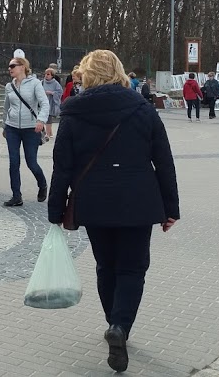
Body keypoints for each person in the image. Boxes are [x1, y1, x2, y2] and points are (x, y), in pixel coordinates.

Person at [47, 49, 180, 373]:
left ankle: (113, 321)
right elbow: (163, 160)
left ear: (87, 75)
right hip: (139, 200)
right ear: (119, 72)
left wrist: (55, 210)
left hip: (94, 201)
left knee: (106, 266)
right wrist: (170, 207)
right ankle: (120, 326)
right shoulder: (142, 109)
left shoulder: (74, 112)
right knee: (132, 269)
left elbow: (62, 166)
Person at [3, 56, 49, 207]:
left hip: (31, 128)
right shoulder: (9, 86)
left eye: (12, 66)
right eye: (9, 66)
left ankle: (42, 184)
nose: (10, 69)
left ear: (22, 66)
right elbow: (6, 107)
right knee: (13, 162)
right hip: (12, 128)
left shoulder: (35, 83)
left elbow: (44, 103)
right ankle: (16, 196)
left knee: (31, 162)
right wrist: (4, 125)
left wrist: (41, 120)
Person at [41, 68, 63, 142]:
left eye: (48, 74)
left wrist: (52, 93)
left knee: (49, 118)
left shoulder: (55, 83)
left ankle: (48, 133)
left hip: (51, 102)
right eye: (45, 74)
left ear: (52, 76)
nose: (46, 76)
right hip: (43, 102)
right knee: (45, 118)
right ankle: (48, 133)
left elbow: (60, 92)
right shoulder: (42, 82)